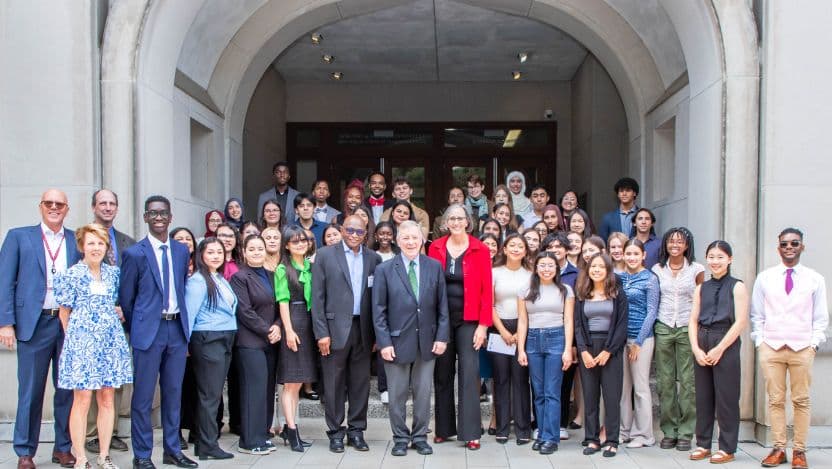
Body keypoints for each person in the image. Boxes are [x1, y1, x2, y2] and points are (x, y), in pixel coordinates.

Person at [0, 189, 80, 469]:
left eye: (60, 204)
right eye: (49, 203)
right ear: (41, 206)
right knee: (31, 391)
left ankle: (63, 448)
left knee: (67, 390)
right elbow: (4, 282)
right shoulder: (18, 236)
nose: (54, 208)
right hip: (33, 325)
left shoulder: (74, 241)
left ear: (67, 209)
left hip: (66, 325)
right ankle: (25, 451)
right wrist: (5, 323)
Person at [119, 195, 196, 469]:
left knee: (173, 394)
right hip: (148, 332)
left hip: (176, 329)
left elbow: (181, 288)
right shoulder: (134, 254)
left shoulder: (180, 251)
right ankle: (142, 454)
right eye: (153, 213)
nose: (159, 217)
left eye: (163, 213)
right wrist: (137, 328)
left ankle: (172, 450)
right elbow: (126, 299)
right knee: (143, 396)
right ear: (145, 218)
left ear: (171, 217)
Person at [53, 224, 131, 469]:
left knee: (107, 398)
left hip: (109, 342)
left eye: (100, 243)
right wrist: (76, 341)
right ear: (82, 246)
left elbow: (122, 303)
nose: (96, 247)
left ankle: (104, 455)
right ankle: (81, 457)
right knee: (82, 399)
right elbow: (64, 312)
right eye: (91, 243)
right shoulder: (70, 275)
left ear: (106, 246)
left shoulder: (114, 274)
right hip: (82, 344)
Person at [750, 228, 828, 469]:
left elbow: (820, 317)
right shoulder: (765, 277)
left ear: (802, 247)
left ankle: (800, 451)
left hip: (802, 347)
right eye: (784, 244)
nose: (789, 247)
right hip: (771, 346)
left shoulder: (815, 278)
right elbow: (757, 314)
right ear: (778, 248)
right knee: (775, 400)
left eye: (794, 243)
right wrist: (760, 341)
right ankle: (778, 448)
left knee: (801, 400)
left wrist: (813, 344)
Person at [372, 221, 449, 457]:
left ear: (422, 238)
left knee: (424, 393)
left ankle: (420, 437)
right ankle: (400, 438)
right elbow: (379, 309)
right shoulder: (385, 269)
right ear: (396, 239)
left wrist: (442, 337)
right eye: (405, 237)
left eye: (415, 237)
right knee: (396, 395)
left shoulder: (434, 266)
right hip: (395, 342)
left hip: (427, 340)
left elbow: (442, 306)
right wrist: (384, 342)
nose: (410, 242)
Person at [312, 216, 382, 453]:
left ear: (366, 234)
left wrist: (376, 336)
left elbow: (376, 301)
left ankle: (356, 431)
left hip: (363, 330)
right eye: (350, 230)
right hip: (333, 331)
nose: (354, 234)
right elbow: (317, 297)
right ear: (341, 230)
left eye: (359, 232)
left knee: (360, 383)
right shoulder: (324, 255)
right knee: (333, 383)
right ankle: (335, 432)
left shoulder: (374, 258)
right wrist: (321, 332)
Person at [428, 204, 493, 450]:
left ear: (468, 221)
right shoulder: (434, 247)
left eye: (460, 218)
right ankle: (444, 429)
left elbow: (488, 290)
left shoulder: (480, 248)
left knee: (469, 374)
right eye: (451, 218)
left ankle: (471, 432)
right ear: (446, 222)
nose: (456, 222)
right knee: (442, 374)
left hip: (470, 320)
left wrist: (483, 326)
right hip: (442, 319)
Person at [688, 240, 749, 464]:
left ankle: (727, 447)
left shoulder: (737, 286)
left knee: (727, 398)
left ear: (729, 259)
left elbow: (741, 321)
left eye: (720, 257)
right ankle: (703, 443)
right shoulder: (701, 287)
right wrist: (695, 348)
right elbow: (693, 320)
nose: (715, 261)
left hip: (726, 342)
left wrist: (720, 348)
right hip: (702, 340)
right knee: (703, 397)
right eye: (711, 257)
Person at [86, 189, 135, 455]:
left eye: (112, 203)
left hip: (120, 321)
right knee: (92, 378)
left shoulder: (127, 241)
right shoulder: (80, 239)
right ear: (94, 207)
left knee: (114, 378)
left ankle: (111, 430)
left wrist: (126, 310)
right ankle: (92, 434)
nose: (107, 207)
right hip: (91, 322)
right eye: (102, 203)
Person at [651, 227, 704, 452]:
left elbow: (701, 299)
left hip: (686, 327)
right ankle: (669, 430)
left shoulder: (697, 269)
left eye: (679, 242)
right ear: (665, 244)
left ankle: (686, 432)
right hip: (663, 325)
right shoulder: (657, 269)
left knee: (688, 382)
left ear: (687, 245)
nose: (675, 245)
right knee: (664, 382)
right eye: (671, 241)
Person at [184, 238, 238, 460]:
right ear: (201, 255)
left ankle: (205, 443)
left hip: (224, 337)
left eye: (219, 252)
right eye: (210, 252)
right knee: (210, 395)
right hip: (208, 339)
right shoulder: (197, 281)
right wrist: (186, 344)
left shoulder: (219, 278)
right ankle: (207, 444)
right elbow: (189, 314)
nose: (216, 256)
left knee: (212, 394)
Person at [517, 252, 575, 454]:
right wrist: (521, 349)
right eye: (542, 265)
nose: (547, 269)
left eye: (551, 265)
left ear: (557, 268)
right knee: (538, 391)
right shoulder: (525, 290)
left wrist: (568, 349)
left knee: (552, 392)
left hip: (556, 338)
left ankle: (551, 437)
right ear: (536, 268)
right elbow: (522, 321)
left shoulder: (566, 290)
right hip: (532, 340)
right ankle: (541, 433)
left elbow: (568, 321)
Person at [230, 235, 281, 456]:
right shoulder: (240, 277)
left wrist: (279, 325)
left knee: (267, 390)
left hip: (271, 341)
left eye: (260, 248)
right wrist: (268, 329)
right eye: (252, 249)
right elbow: (244, 311)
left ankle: (262, 434)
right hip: (250, 342)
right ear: (244, 251)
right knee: (254, 390)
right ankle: (249, 440)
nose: (257, 252)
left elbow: (281, 305)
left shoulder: (272, 275)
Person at [574, 253, 628, 458]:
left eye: (601, 267)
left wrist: (609, 350)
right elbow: (578, 326)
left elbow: (622, 325)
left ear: (608, 270)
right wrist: (584, 351)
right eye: (593, 266)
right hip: (588, 347)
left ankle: (612, 440)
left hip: (610, 348)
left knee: (612, 397)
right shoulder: (582, 294)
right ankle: (592, 438)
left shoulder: (617, 293)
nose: (596, 270)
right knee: (590, 396)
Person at [274, 225, 317, 452]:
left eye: (303, 240)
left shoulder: (311, 266)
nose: (300, 244)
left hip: (309, 323)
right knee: (290, 383)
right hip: (295, 320)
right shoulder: (283, 268)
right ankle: (290, 430)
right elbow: (282, 302)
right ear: (287, 245)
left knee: (299, 381)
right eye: (295, 241)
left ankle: (293, 428)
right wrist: (289, 331)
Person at [490, 234, 533, 445]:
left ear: (526, 251)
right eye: (512, 245)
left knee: (521, 380)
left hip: (523, 328)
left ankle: (523, 428)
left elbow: (531, 306)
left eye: (520, 246)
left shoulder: (530, 274)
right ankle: (502, 428)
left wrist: (519, 334)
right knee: (501, 380)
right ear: (504, 249)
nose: (516, 249)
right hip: (499, 329)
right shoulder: (494, 272)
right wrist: (503, 332)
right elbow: (489, 305)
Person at [618, 239, 659, 449]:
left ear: (643, 255)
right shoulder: (620, 277)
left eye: (636, 254)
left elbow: (652, 312)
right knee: (623, 388)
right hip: (620, 339)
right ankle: (624, 431)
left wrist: (638, 342)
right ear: (623, 255)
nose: (632, 257)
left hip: (641, 339)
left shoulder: (650, 279)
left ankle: (644, 434)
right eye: (628, 254)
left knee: (641, 388)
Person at [598, 177, 640, 241]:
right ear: (618, 194)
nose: (624, 194)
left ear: (634, 193)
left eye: (628, 190)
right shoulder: (608, 218)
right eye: (621, 191)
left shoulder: (643, 215)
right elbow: (602, 243)